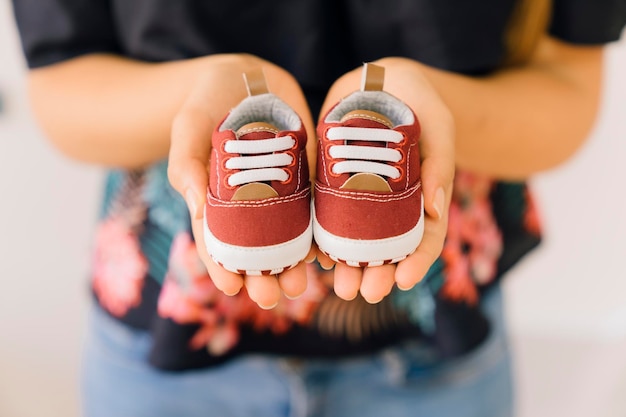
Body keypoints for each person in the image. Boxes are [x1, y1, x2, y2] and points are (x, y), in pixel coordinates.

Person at [11, 0, 625, 416]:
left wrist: (436, 102)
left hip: (437, 349)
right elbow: (60, 81)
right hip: (163, 346)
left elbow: (569, 86)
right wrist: (205, 92)